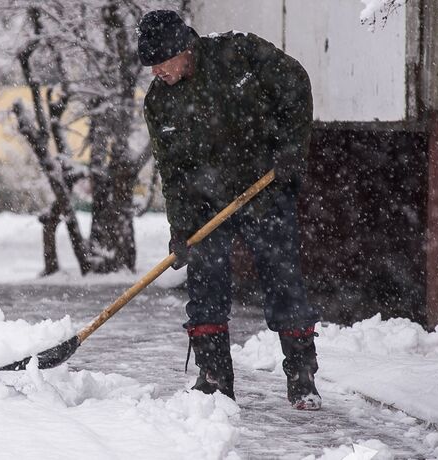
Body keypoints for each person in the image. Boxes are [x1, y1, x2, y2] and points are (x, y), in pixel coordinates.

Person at [138, 10, 322, 410]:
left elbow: (295, 84)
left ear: (183, 48)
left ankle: (302, 374)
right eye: (150, 64)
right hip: (207, 205)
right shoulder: (159, 104)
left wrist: (292, 148)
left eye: (161, 61)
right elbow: (173, 173)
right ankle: (215, 379)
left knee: (283, 281)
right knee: (205, 288)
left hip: (264, 189)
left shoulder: (238, 54)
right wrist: (181, 228)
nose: (157, 71)